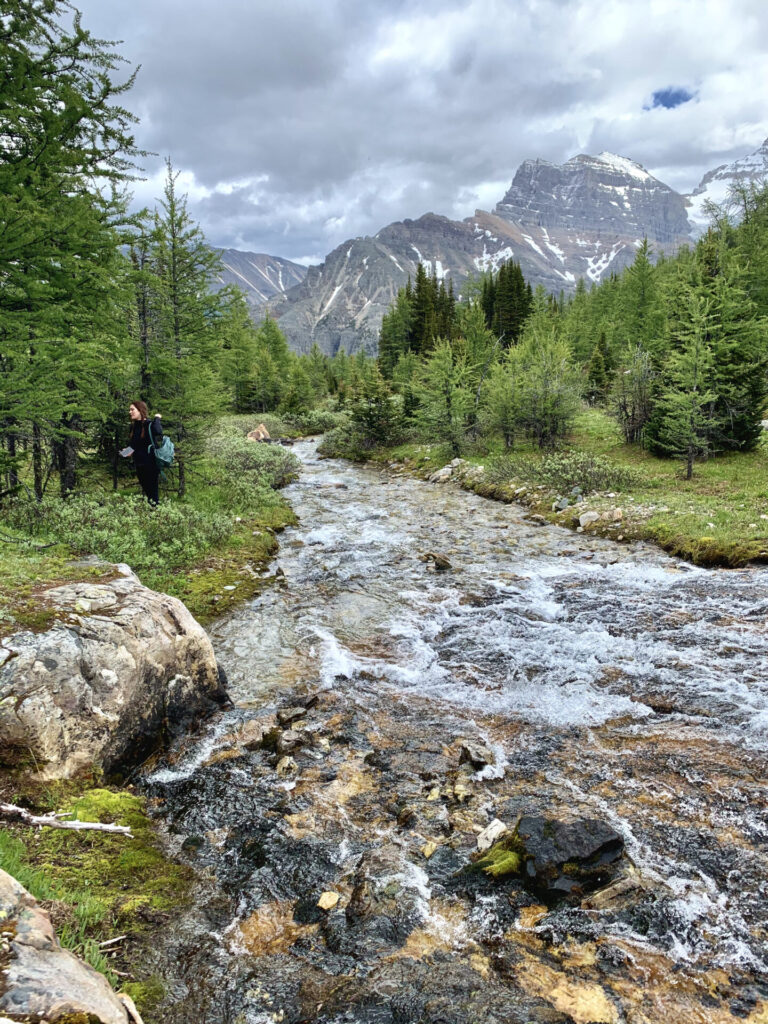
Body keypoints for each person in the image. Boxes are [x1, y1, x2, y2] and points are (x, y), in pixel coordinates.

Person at [123, 401, 163, 505]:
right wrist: (125, 452)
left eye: (132, 410)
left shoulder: (149, 424)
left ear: (140, 410)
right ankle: (154, 513)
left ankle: (157, 514)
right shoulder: (134, 426)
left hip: (151, 464)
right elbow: (134, 445)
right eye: (130, 410)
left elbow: (158, 431)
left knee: (153, 493)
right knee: (148, 492)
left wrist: (157, 418)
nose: (130, 412)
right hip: (139, 464)